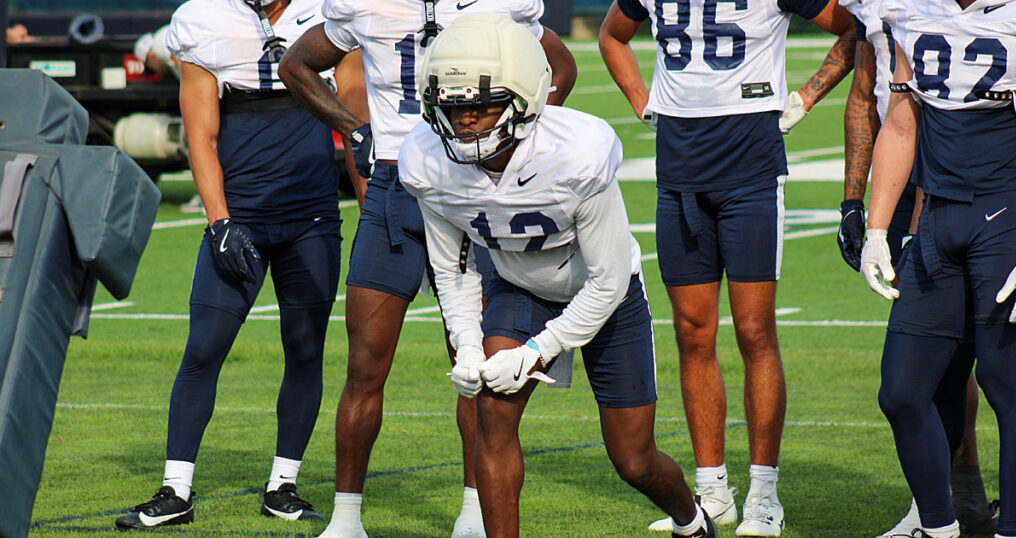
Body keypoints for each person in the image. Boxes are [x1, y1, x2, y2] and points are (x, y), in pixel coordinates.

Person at [396, 14, 715, 538]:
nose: (466, 121)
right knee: (493, 415)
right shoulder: (428, 162)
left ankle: (691, 519)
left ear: (525, 98)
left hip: (602, 298)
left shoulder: (575, 153)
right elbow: (451, 268)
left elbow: (609, 281)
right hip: (518, 284)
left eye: (481, 105)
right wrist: (470, 346)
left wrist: (537, 351)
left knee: (633, 459)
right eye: (454, 107)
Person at [277, 2, 576, 536]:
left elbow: (560, 66)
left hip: (471, 186)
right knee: (365, 363)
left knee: (479, 365)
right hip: (395, 185)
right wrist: (353, 128)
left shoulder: (500, 5)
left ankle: (473, 512)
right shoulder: (365, 4)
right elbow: (295, 65)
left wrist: (518, 139)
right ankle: (346, 519)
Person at [600, 0, 852, 535]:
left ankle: (764, 495)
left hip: (751, 165)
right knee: (692, 334)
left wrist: (806, 96)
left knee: (755, 331)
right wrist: (643, 101)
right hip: (679, 166)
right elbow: (612, 36)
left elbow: (855, 30)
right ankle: (712, 491)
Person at [114, 0, 344, 529]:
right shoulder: (203, 17)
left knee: (306, 348)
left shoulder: (330, 9)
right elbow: (201, 133)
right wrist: (219, 221)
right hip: (239, 211)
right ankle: (175, 492)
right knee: (204, 347)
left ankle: (283, 486)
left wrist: (375, 207)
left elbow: (353, 113)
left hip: (311, 214)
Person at [861, 0, 1016, 536]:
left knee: (1009, 385)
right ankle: (938, 527)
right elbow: (902, 124)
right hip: (938, 216)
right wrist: (878, 230)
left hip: (1009, 211)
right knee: (902, 391)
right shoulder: (910, 10)